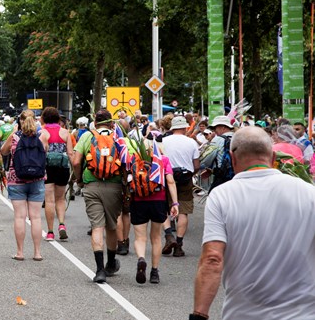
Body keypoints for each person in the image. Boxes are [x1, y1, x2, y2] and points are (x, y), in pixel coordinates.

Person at [192, 126, 315, 319]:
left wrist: (199, 314)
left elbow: (212, 259)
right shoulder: (309, 193)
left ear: (233, 159)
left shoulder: (222, 196)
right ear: (274, 158)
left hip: (243, 313)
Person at [71, 109, 123, 283]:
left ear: (95, 122)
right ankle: (110, 264)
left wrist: (78, 179)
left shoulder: (87, 136)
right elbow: (127, 161)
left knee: (97, 227)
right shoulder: (119, 138)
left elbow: (76, 161)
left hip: (91, 185)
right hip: (114, 186)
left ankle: (99, 270)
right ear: (110, 122)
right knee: (111, 226)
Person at [1, 110, 48, 261]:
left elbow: (3, 151)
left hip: (17, 179)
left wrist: (14, 133)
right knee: (36, 217)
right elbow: (45, 152)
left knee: (20, 217)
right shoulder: (43, 136)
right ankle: (37, 253)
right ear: (35, 121)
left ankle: (20, 252)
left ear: (20, 121)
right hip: (37, 179)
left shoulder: (14, 136)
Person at [128, 142, 179, 285]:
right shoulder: (163, 160)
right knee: (156, 237)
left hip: (138, 201)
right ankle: (154, 271)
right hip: (158, 201)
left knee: (140, 237)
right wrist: (175, 203)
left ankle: (141, 259)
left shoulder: (134, 159)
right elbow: (170, 181)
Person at [160, 116, 200, 258]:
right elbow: (196, 165)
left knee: (164, 207)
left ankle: (169, 235)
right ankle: (179, 244)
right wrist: (190, 174)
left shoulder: (163, 141)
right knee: (183, 211)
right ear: (184, 127)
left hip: (166, 177)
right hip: (185, 178)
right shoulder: (191, 143)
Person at [40, 107, 74, 241]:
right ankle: (61, 224)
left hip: (47, 168)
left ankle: (50, 232)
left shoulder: (42, 132)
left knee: (49, 200)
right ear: (58, 119)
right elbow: (70, 153)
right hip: (62, 167)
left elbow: (41, 152)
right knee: (60, 198)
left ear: (44, 118)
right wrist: (74, 172)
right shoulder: (66, 133)